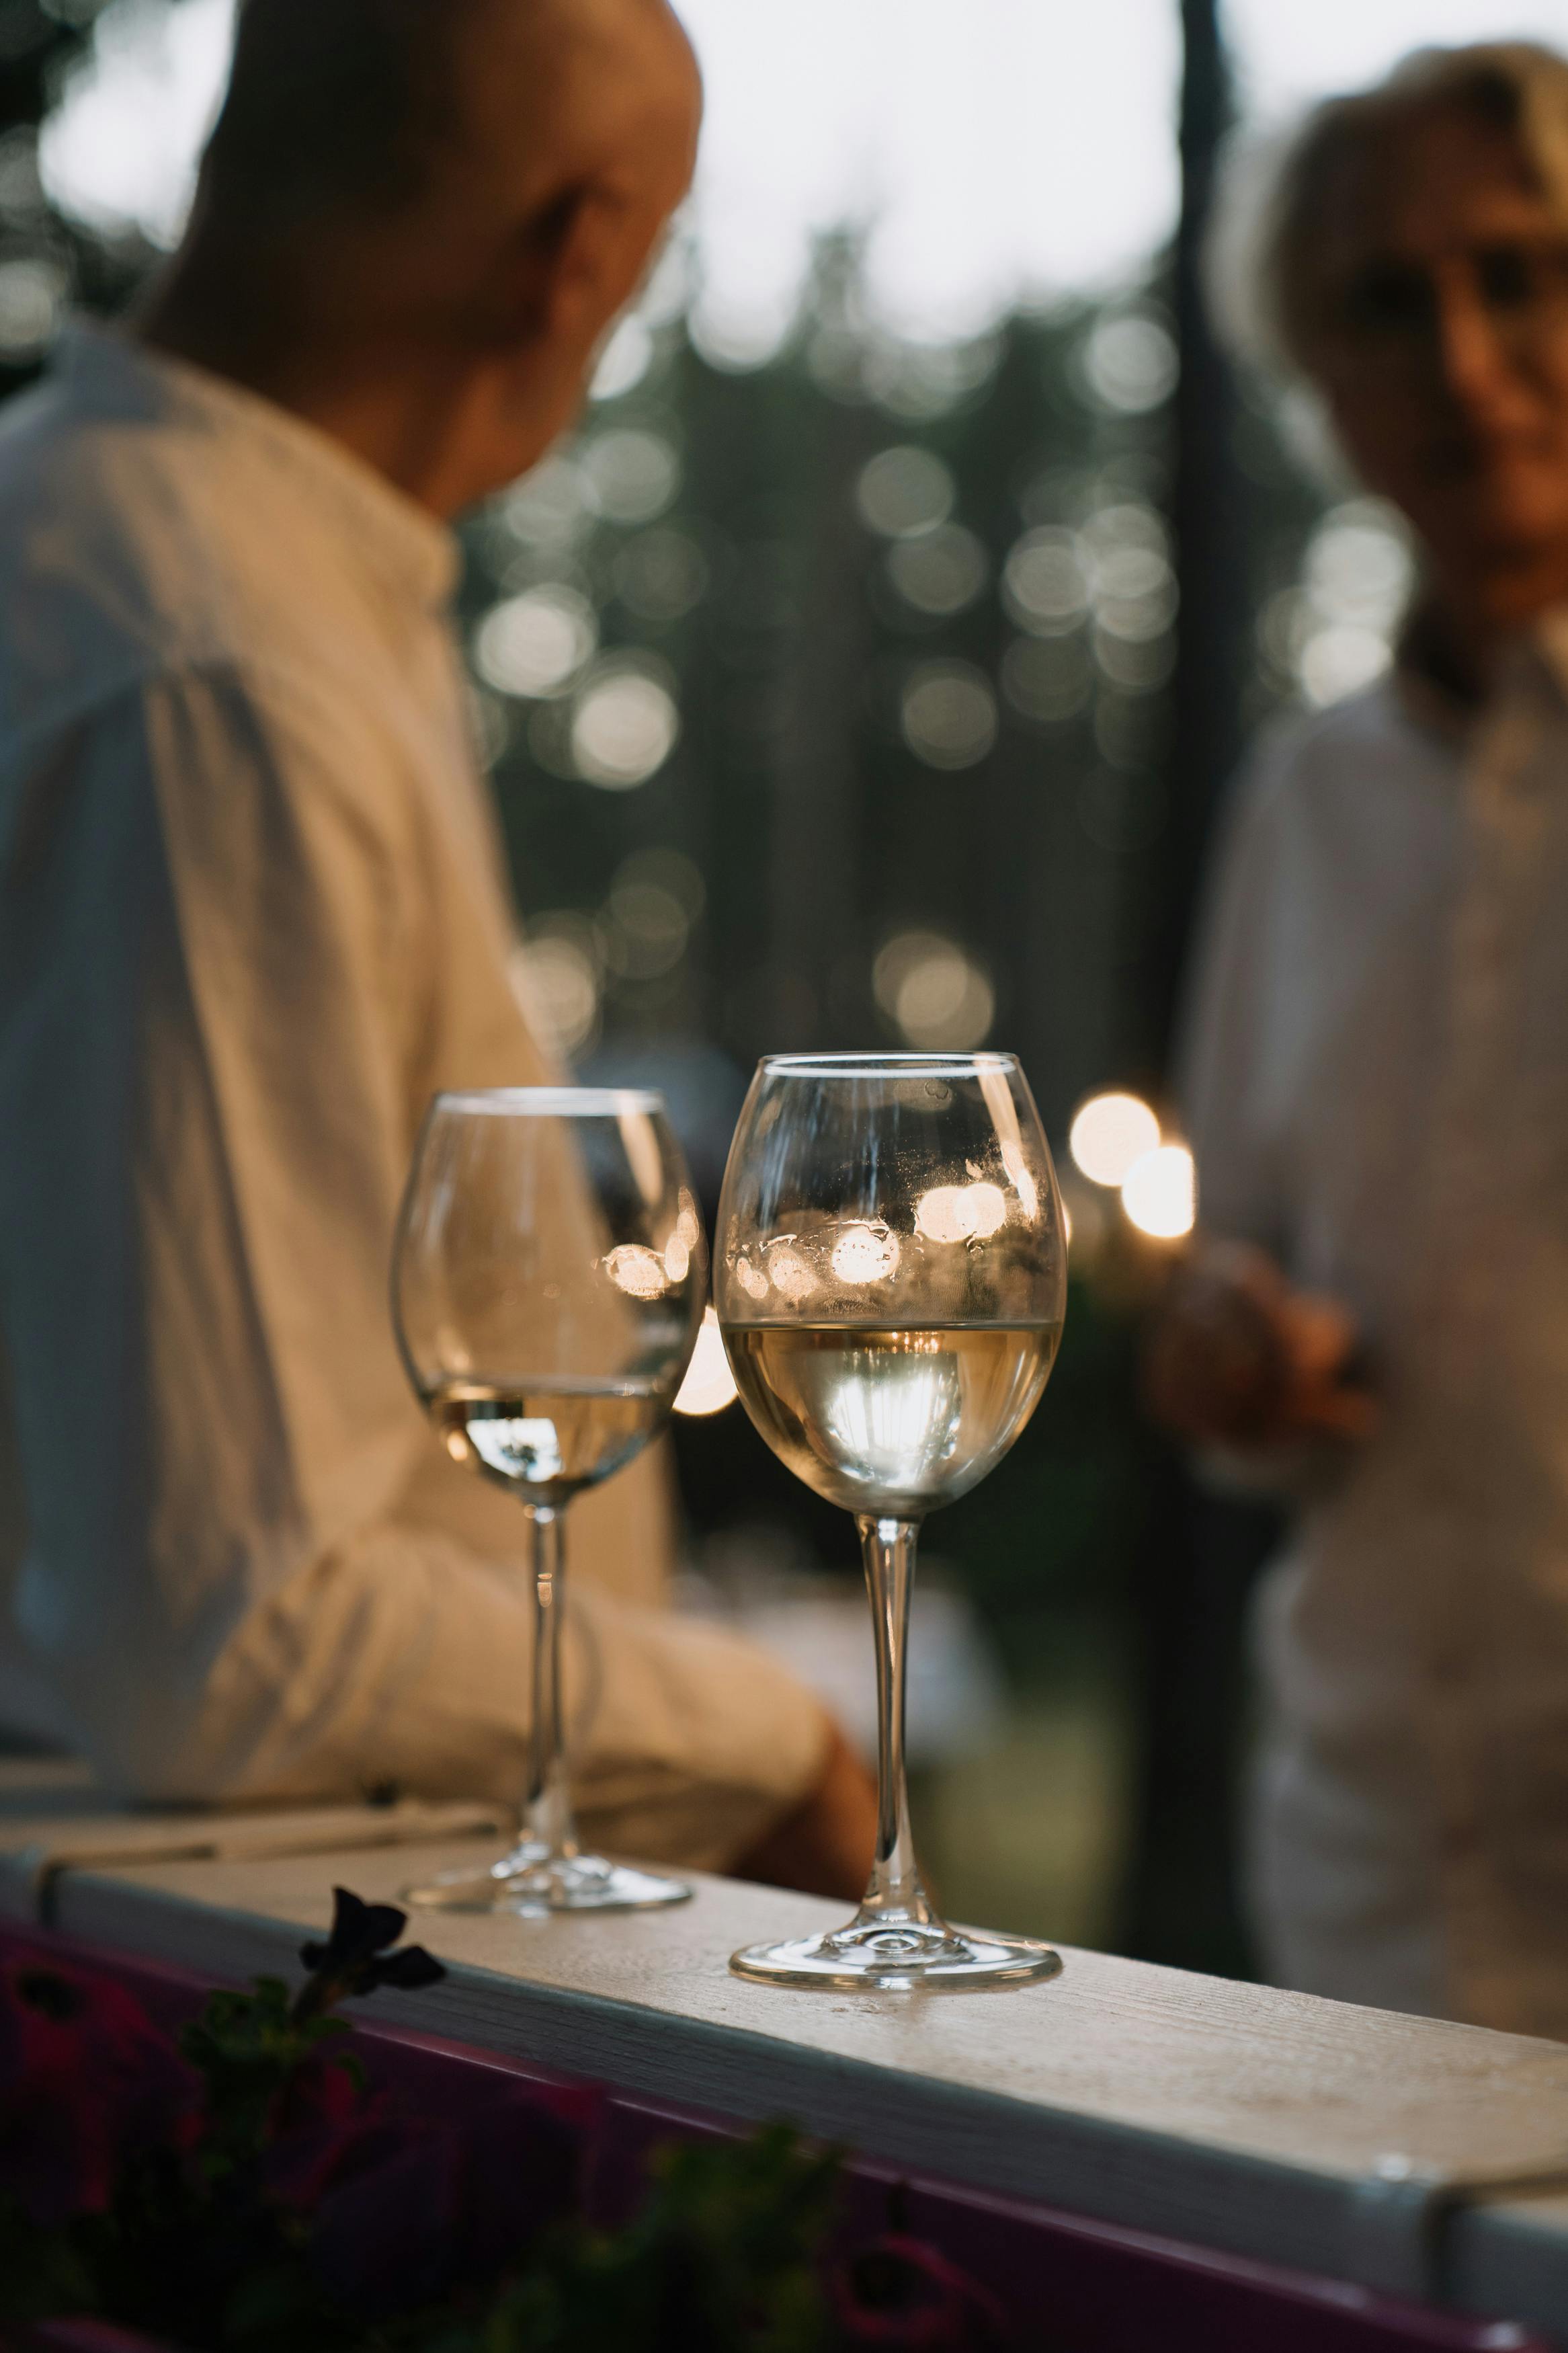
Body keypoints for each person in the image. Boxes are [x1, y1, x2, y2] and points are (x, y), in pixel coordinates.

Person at [0, 0, 876, 1899]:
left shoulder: (120, 546)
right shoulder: (216, 669)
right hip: (243, 1992)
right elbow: (231, 1641)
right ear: (578, 252)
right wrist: (770, 1744)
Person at [1146, 41, 1568, 2038]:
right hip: (1366, 1868)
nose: (1468, 360)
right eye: (1386, 306)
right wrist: (1236, 1355)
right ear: (1317, 378)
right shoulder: (1301, 809)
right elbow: (1236, 1285)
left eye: (1526, 269)